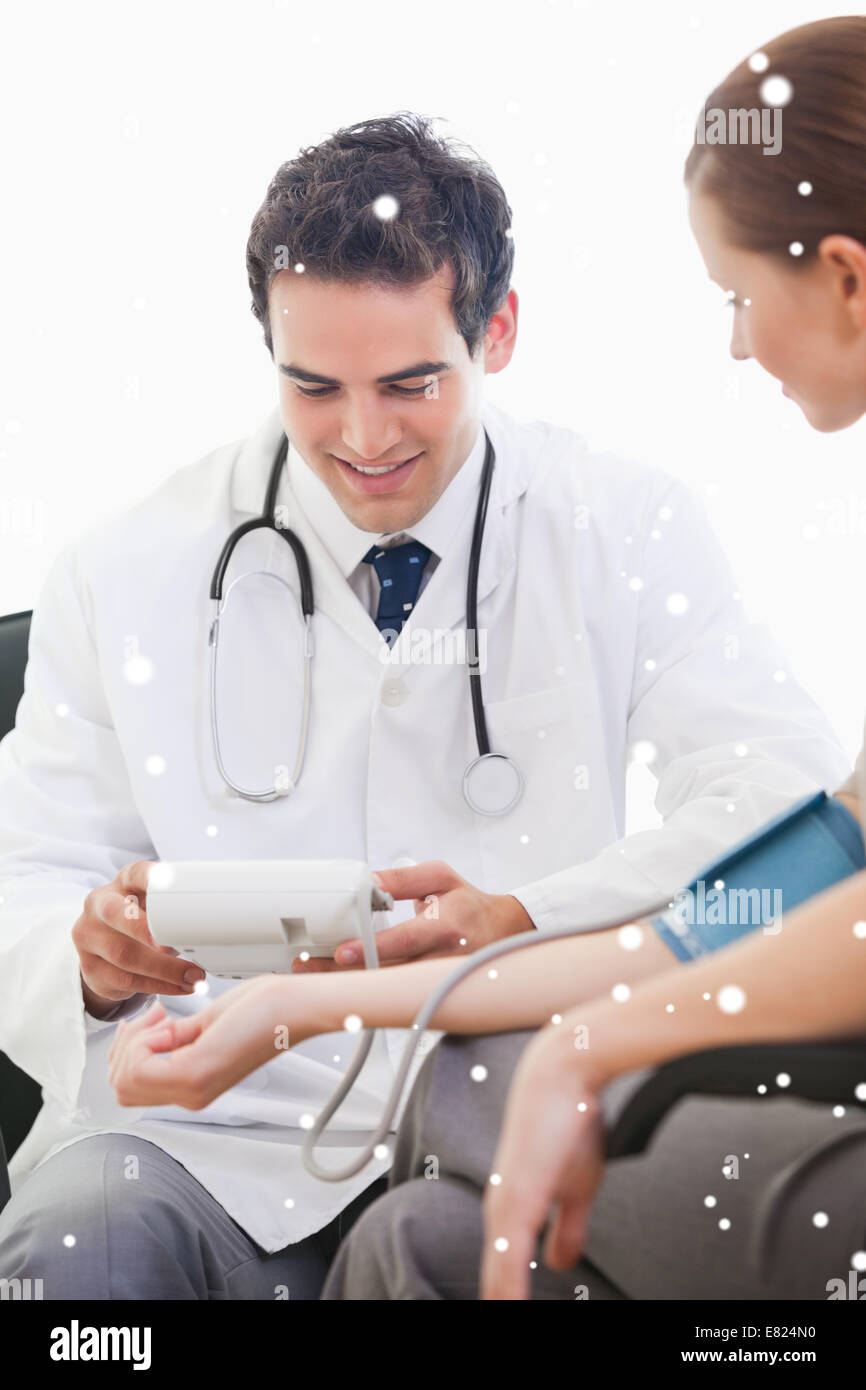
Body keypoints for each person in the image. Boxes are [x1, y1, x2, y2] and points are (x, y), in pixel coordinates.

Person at [0, 109, 851, 1302]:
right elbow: (24, 876)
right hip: (203, 1132)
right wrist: (86, 959)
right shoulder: (121, 566)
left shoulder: (622, 524)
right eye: (313, 386)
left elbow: (785, 808)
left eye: (410, 383)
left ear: (495, 332)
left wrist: (527, 912)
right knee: (81, 1246)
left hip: (478, 1096)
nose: (362, 437)